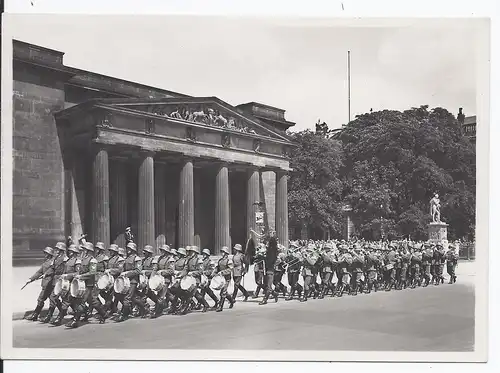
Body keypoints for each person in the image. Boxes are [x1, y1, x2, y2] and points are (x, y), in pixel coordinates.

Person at [66, 242, 107, 328]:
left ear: (88, 250)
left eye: (84, 249)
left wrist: (81, 276)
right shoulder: (82, 259)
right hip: (82, 283)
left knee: (81, 302)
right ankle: (103, 314)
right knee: (92, 301)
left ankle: (75, 321)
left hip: (89, 284)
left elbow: (92, 272)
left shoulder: (93, 260)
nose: (82, 251)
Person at [115, 242, 147, 322]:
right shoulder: (127, 258)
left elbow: (138, 270)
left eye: (129, 248)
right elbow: (123, 268)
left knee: (127, 298)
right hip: (126, 281)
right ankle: (145, 308)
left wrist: (127, 273)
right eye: (127, 248)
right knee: (133, 298)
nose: (128, 250)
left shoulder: (137, 259)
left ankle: (124, 315)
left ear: (133, 249)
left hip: (133, 281)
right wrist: (122, 273)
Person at [50, 244, 81, 326]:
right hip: (66, 284)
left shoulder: (77, 261)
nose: (69, 252)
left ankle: (62, 319)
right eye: (69, 251)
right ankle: (64, 319)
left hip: (73, 284)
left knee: (68, 301)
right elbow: (64, 271)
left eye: (71, 251)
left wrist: (67, 276)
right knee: (69, 301)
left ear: (74, 252)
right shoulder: (68, 261)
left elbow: (77, 273)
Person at [25, 247, 55, 321]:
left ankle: (49, 316)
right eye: (45, 253)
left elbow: (54, 271)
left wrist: (46, 274)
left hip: (51, 284)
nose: (45, 254)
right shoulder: (45, 262)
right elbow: (39, 272)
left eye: (46, 253)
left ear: (50, 254)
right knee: (44, 300)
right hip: (45, 284)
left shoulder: (53, 262)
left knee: (49, 300)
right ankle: (36, 315)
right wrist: (31, 279)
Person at [42, 242, 68, 323]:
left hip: (61, 280)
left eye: (58, 249)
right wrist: (46, 274)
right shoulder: (56, 258)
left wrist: (64, 277)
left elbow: (66, 269)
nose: (56, 250)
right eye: (56, 249)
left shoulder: (65, 259)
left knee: (58, 298)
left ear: (62, 250)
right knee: (54, 298)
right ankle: (56, 314)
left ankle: (56, 316)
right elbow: (52, 268)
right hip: (55, 280)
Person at [215, 246, 235, 312]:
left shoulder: (229, 261)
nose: (222, 253)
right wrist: (214, 272)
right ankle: (232, 300)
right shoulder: (220, 260)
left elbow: (230, 269)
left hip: (226, 278)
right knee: (224, 292)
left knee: (223, 292)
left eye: (223, 252)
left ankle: (220, 307)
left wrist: (222, 272)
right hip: (220, 278)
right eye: (221, 252)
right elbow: (217, 268)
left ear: (226, 253)